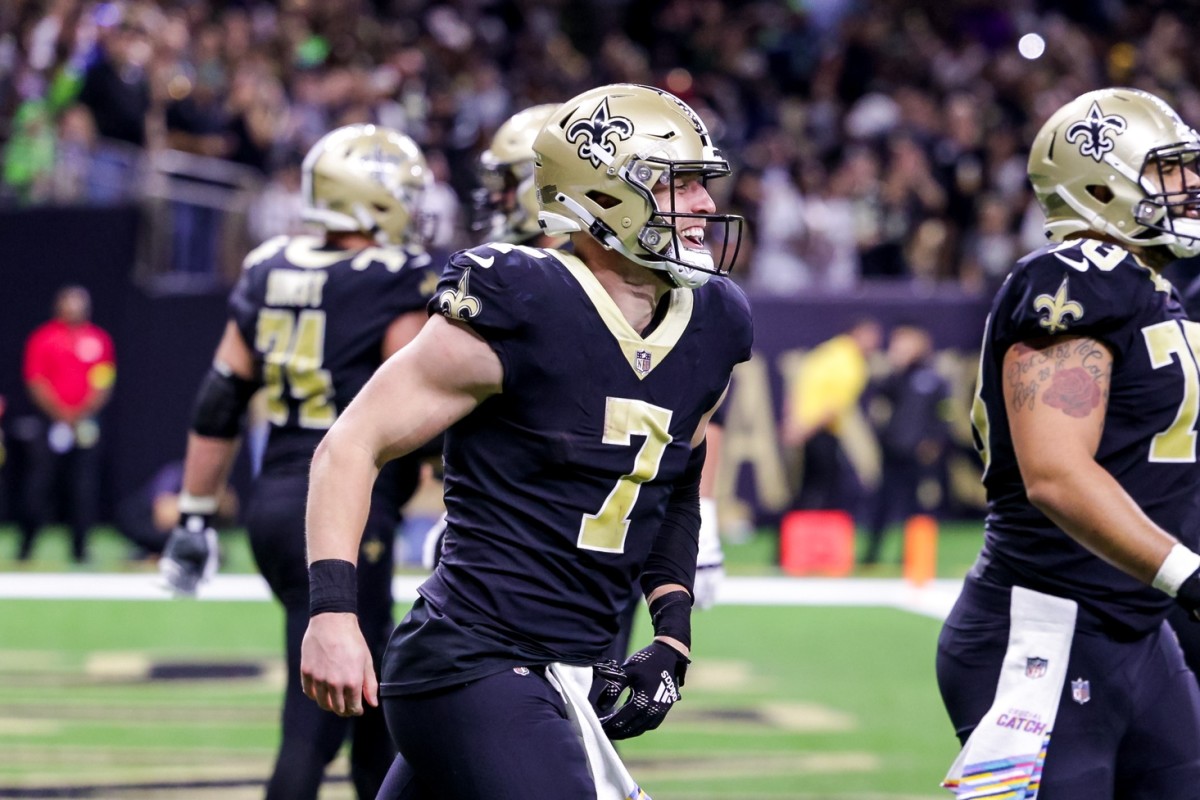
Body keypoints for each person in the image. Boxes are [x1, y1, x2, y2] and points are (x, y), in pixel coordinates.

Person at [299, 83, 753, 799]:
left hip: (568, 664)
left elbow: (674, 489)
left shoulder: (715, 321)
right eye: (679, 184)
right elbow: (350, 444)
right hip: (469, 658)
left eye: (702, 185)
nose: (701, 206)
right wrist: (331, 609)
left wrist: (672, 638)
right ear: (603, 195)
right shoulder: (522, 298)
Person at [158, 124, 441, 800]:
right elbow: (423, 391)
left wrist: (195, 516)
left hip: (275, 502)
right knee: (314, 725)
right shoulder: (392, 278)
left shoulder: (270, 265)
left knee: (376, 707)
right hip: (343, 515)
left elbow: (220, 400)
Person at [937, 87, 1200, 797]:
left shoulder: (1156, 290)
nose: (1192, 185)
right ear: (1100, 184)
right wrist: (1189, 574)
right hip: (1039, 632)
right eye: (1168, 170)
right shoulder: (1074, 279)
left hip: (1139, 632)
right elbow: (1054, 472)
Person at [19, 285, 116, 563]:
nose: (74, 309)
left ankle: (80, 548)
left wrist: (82, 412)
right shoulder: (44, 339)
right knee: (40, 484)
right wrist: (61, 413)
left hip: (85, 423)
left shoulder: (98, 340)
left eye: (79, 304)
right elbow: (36, 380)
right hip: (51, 423)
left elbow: (104, 381)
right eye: (68, 304)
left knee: (84, 486)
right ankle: (27, 546)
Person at [861, 323, 950, 565]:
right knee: (882, 504)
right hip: (893, 451)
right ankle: (871, 555)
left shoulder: (932, 379)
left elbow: (942, 415)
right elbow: (876, 398)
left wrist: (934, 442)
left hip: (920, 453)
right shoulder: (895, 378)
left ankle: (913, 556)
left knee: (918, 506)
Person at [781, 317, 882, 514]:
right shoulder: (851, 363)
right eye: (870, 336)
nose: (875, 343)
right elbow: (833, 407)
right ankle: (810, 540)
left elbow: (798, 388)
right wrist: (803, 431)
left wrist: (792, 423)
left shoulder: (824, 352)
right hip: (819, 432)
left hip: (805, 428)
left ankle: (792, 541)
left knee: (808, 489)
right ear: (856, 334)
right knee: (821, 492)